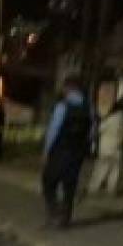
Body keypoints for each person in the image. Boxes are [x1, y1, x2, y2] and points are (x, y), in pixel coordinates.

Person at [41, 76, 93, 228]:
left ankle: (54, 212)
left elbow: (53, 130)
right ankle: (65, 219)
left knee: (49, 181)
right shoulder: (88, 107)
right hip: (78, 152)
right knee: (70, 185)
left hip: (60, 150)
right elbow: (92, 130)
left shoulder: (62, 106)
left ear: (68, 88)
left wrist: (46, 151)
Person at [88, 102, 123, 195]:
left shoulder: (109, 119)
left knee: (101, 168)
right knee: (114, 170)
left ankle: (93, 188)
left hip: (105, 147)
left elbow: (98, 130)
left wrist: (91, 139)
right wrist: (122, 139)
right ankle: (111, 189)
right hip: (117, 148)